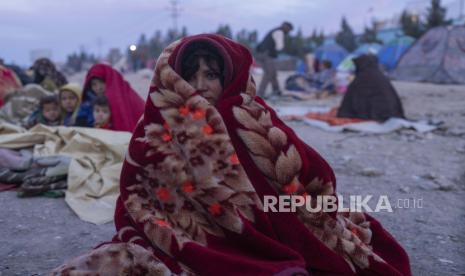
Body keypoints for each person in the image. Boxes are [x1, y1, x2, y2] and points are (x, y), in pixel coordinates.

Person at [53, 34, 411, 276]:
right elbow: (138, 193)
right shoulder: (157, 127)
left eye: (212, 74)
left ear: (232, 76)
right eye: (191, 74)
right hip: (197, 227)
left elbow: (307, 172)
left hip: (270, 220)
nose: (201, 84)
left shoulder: (251, 117)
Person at [75, 64, 144, 132]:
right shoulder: (87, 103)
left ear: (109, 79)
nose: (99, 88)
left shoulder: (121, 96)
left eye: (102, 82)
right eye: (94, 84)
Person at [337, 54, 405, 121]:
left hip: (372, 113)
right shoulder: (381, 77)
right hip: (390, 111)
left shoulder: (361, 78)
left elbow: (349, 102)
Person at [256, 21, 293, 98]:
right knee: (269, 73)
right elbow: (280, 47)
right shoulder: (280, 32)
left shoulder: (275, 30)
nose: (288, 32)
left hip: (261, 54)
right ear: (287, 28)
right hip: (267, 55)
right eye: (289, 30)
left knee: (273, 73)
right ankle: (260, 94)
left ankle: (277, 91)